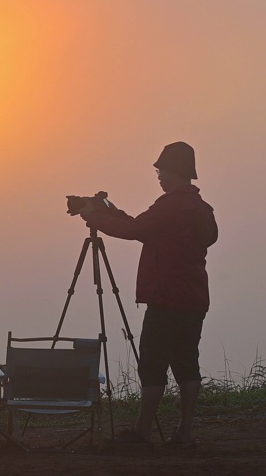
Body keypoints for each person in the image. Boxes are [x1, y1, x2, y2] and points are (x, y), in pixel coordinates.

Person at [67, 141, 218, 448]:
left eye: (161, 171)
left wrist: (93, 217)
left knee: (152, 363)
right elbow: (143, 226)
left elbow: (134, 231)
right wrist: (109, 210)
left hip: (165, 296)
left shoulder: (171, 206)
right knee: (187, 363)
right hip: (194, 295)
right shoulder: (200, 208)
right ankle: (184, 432)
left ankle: (142, 432)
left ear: (174, 172)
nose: (159, 177)